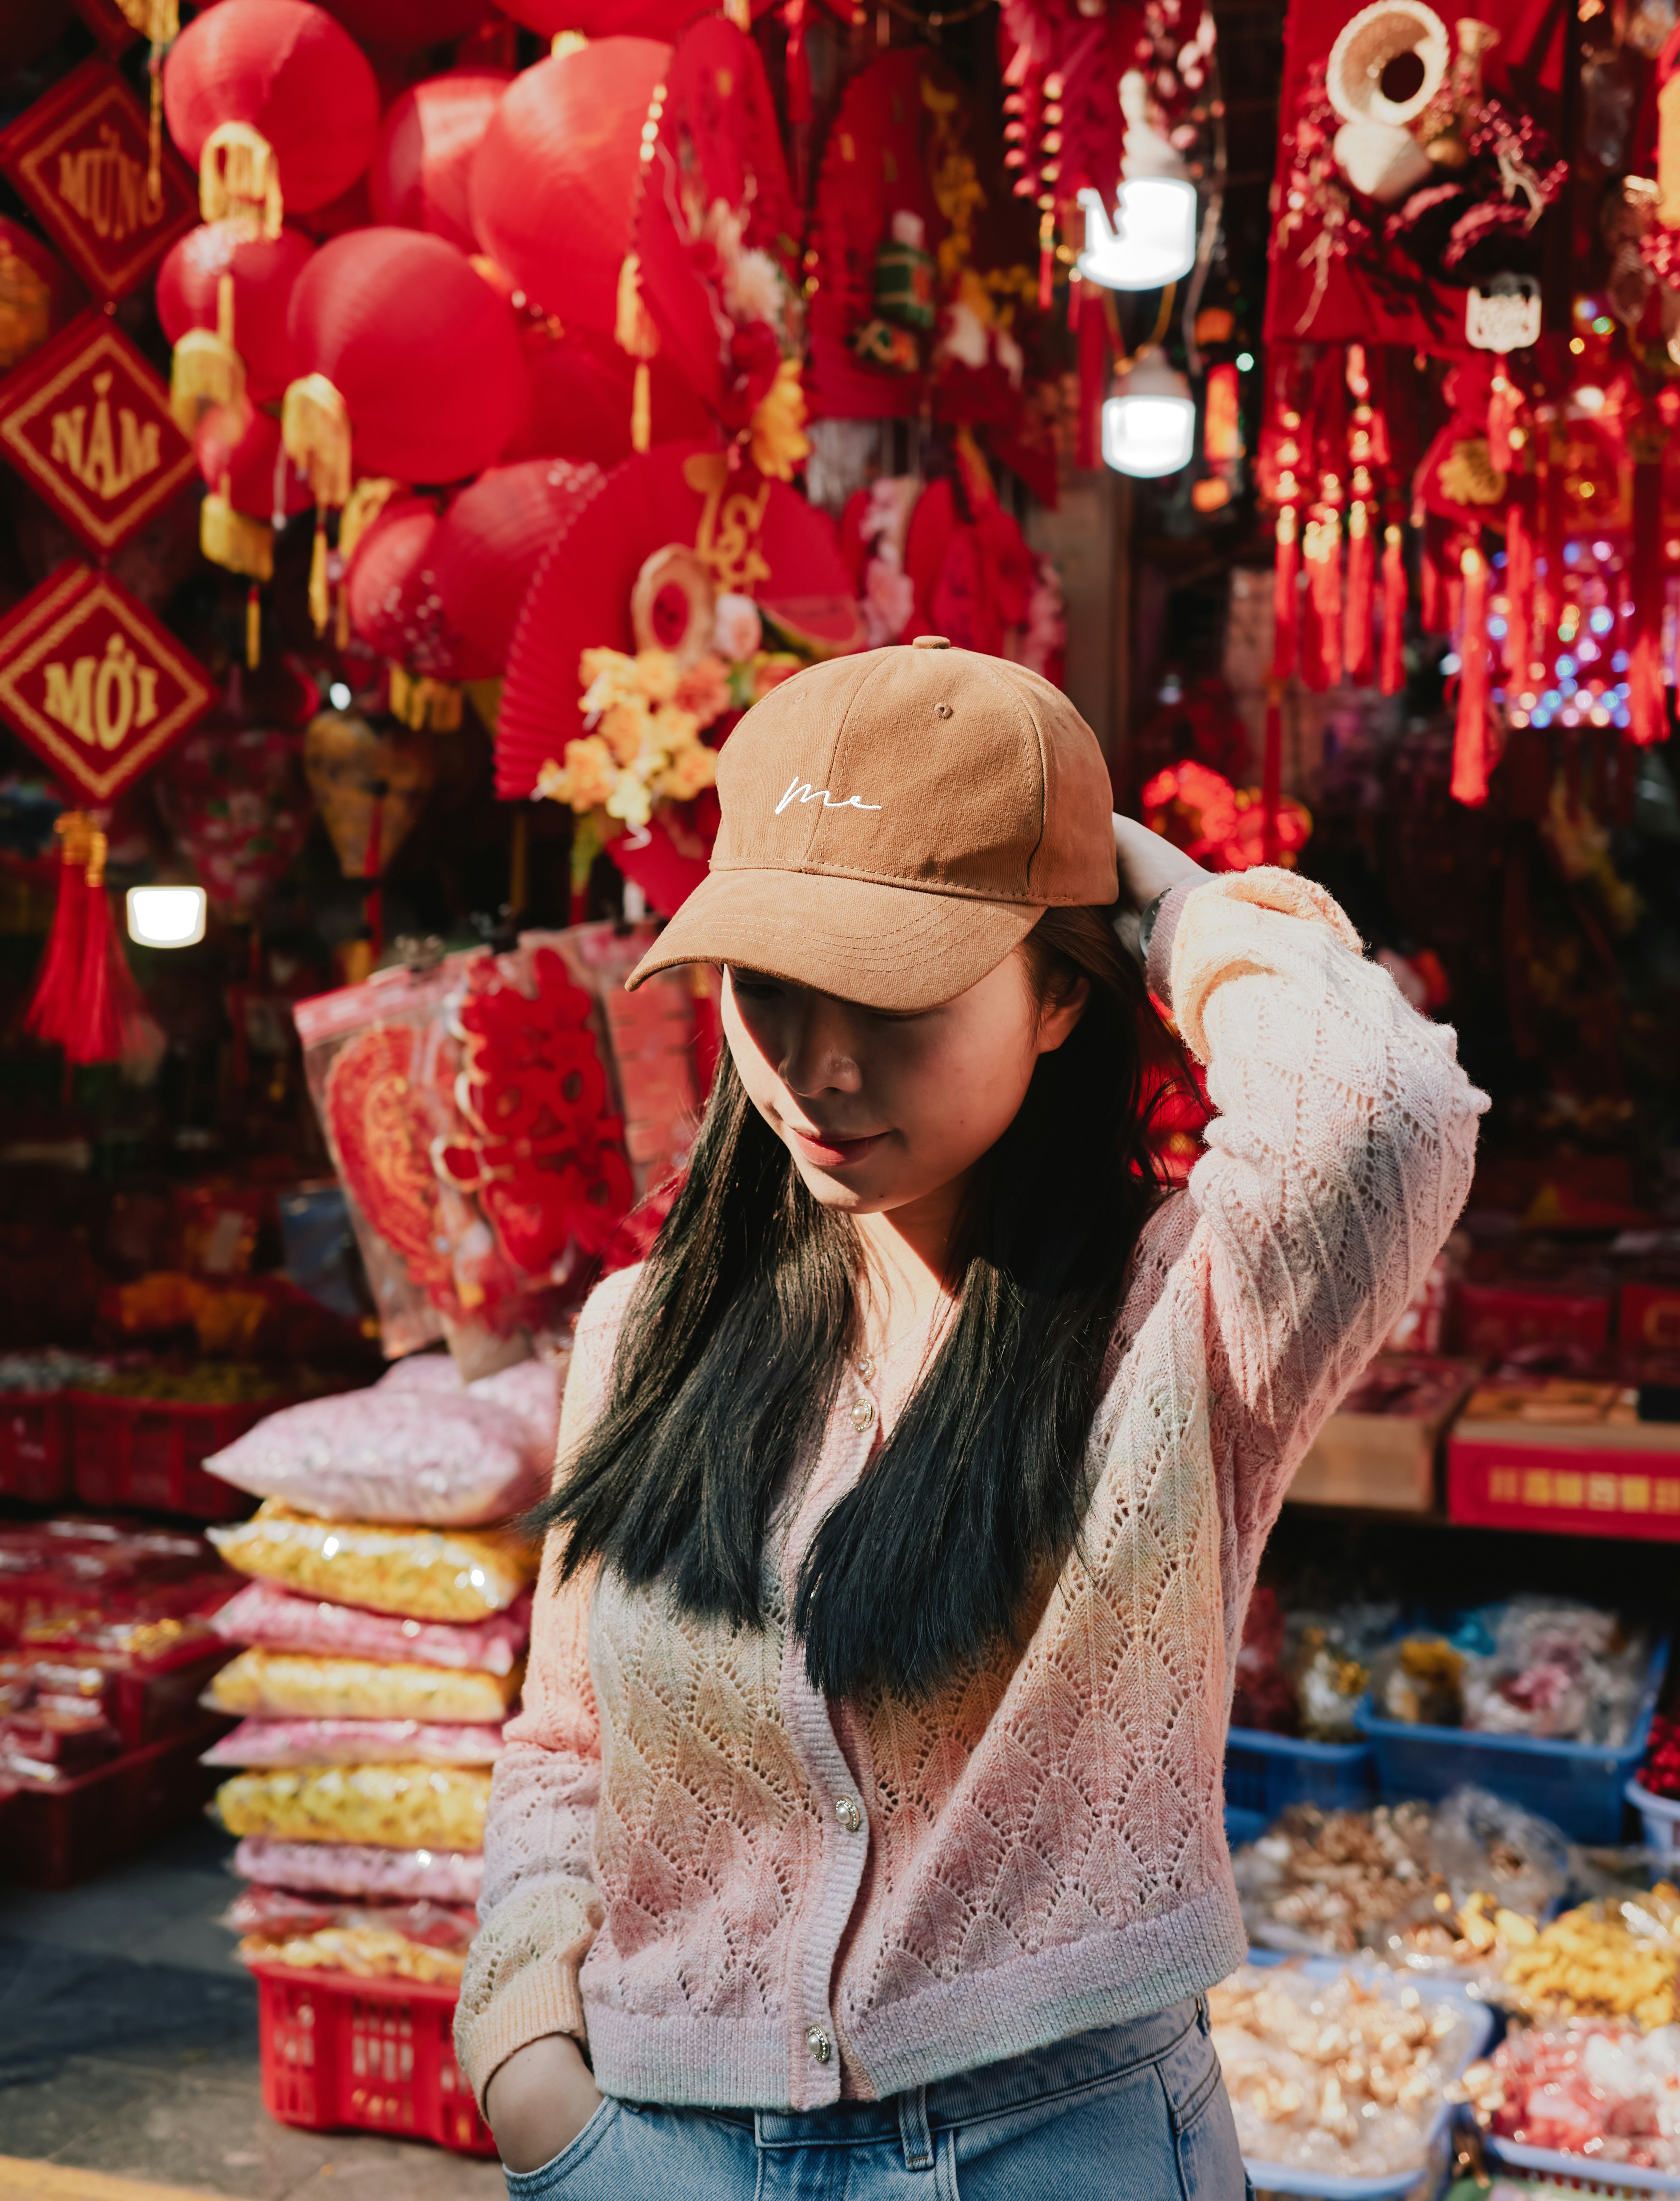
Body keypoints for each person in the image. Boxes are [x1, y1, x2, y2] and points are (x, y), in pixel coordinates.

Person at [456, 638, 1485, 2197]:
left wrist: (1148, 889)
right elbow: (563, 1753)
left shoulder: (1180, 1323)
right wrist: (533, 2074)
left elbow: (1386, 1114)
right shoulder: (646, 1332)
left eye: (896, 990)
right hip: (653, 2146)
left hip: (1047, 2147)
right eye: (771, 984)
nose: (818, 1064)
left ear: (1064, 995)